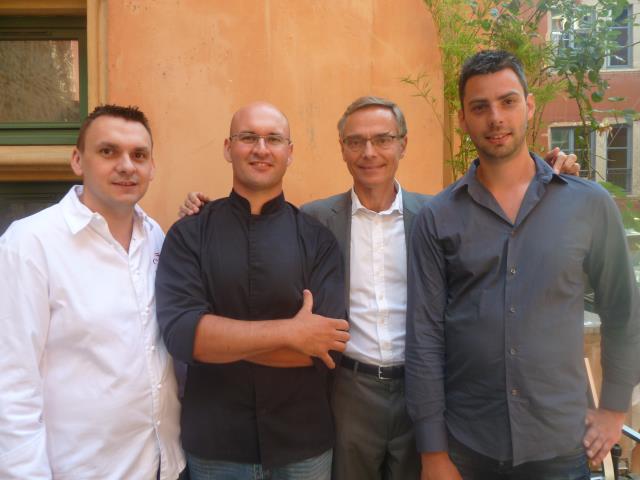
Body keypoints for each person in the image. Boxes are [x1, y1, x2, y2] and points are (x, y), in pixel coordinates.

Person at [179, 97, 580, 480]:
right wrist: (207, 214)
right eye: (356, 141)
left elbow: (495, 241)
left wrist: (537, 183)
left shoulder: (438, 215)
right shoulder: (318, 220)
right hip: (349, 390)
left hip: (422, 391)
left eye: (383, 139)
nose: (369, 152)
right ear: (343, 149)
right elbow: (260, 230)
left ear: (402, 145)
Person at [406, 50, 640, 480]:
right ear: (463, 119)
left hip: (559, 444)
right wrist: (433, 452)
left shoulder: (588, 204)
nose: (495, 117)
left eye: (508, 101)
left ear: (529, 107)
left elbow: (623, 312)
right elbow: (424, 338)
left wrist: (613, 408)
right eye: (480, 107)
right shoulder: (437, 218)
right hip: (468, 445)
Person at [155, 101, 349, 480]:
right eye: (248, 137)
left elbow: (326, 348)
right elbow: (182, 336)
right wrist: (292, 334)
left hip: (303, 444)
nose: (261, 148)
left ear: (289, 153)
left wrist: (220, 340)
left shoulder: (318, 240)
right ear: (228, 148)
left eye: (273, 139)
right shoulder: (189, 235)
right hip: (216, 445)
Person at [0, 105, 185, 479]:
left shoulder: (157, 237)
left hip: (162, 466)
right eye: (108, 151)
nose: (126, 165)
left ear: (152, 168)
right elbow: (12, 383)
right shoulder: (31, 243)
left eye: (139, 155)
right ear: (77, 160)